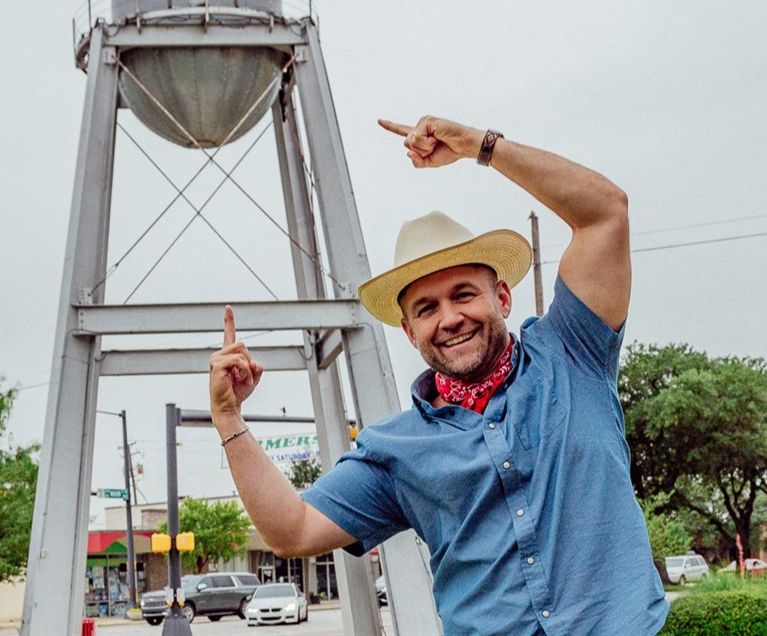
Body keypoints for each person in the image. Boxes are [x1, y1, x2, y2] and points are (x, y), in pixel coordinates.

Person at [209, 115, 669, 636]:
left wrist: (481, 146)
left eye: (464, 294)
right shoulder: (395, 450)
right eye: (427, 308)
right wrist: (228, 417)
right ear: (410, 331)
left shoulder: (572, 351)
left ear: (502, 297)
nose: (449, 318)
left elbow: (605, 213)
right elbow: (291, 531)